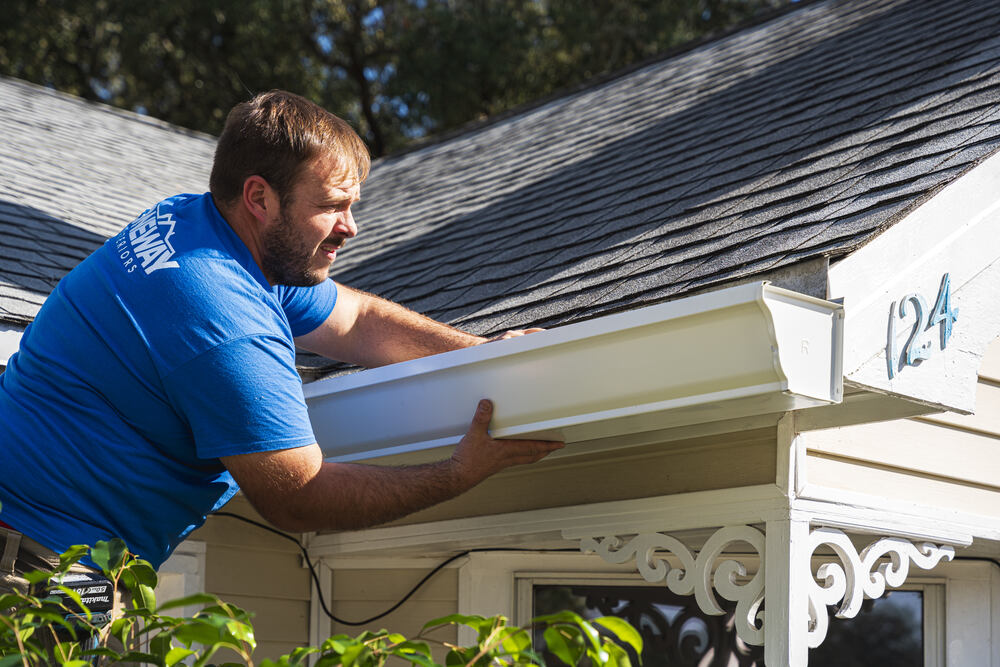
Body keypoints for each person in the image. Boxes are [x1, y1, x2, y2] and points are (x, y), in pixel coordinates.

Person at [0, 90, 563, 592]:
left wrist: (481, 353)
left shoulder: (193, 224)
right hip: (32, 563)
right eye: (331, 206)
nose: (350, 227)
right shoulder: (221, 316)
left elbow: (356, 320)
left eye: (352, 206)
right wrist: (458, 474)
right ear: (259, 197)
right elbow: (297, 495)